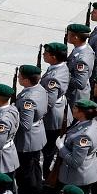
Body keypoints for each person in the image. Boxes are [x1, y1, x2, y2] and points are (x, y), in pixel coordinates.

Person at [13, 65, 47, 194]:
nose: (18, 79)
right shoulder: (39, 89)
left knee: (25, 176)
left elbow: (25, 125)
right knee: (33, 172)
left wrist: (11, 116)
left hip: (27, 141)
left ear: (26, 80)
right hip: (37, 136)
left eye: (20, 77)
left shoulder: (28, 98)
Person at [55, 99, 97, 194]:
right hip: (85, 172)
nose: (73, 109)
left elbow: (75, 162)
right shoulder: (89, 122)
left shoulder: (83, 135)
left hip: (77, 177)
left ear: (82, 113)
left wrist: (61, 147)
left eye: (75, 108)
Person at [40, 42, 70, 181]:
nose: (43, 55)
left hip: (52, 119)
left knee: (49, 151)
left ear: (53, 57)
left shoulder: (54, 77)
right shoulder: (58, 68)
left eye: (45, 53)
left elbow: (49, 102)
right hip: (58, 113)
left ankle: (48, 178)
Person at [65, 24, 94, 103]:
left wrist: (64, 75)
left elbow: (80, 83)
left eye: (69, 34)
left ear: (76, 38)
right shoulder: (81, 49)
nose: (67, 36)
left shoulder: (82, 59)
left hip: (76, 97)